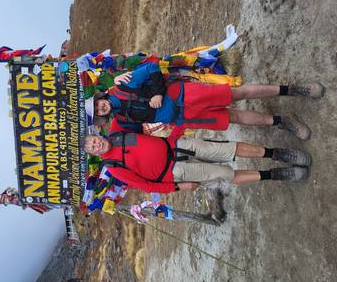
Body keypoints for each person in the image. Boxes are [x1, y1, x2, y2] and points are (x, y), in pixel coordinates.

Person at [84, 62, 325, 140]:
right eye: (97, 112)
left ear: (100, 97)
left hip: (183, 94)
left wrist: (157, 92)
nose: (100, 107)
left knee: (236, 93)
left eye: (97, 103)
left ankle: (294, 89)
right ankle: (283, 121)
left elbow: (151, 68)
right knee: (233, 117)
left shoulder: (121, 84)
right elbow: (128, 139)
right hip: (185, 117)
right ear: (101, 117)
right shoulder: (120, 120)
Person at [83, 129, 311, 193]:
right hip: (175, 172)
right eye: (93, 147)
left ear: (98, 135)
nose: (96, 144)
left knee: (227, 149)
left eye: (94, 140)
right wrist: (176, 187)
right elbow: (145, 185)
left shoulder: (117, 132)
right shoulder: (113, 168)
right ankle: (276, 174)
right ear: (95, 153)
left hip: (177, 144)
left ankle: (277, 154)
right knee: (223, 174)